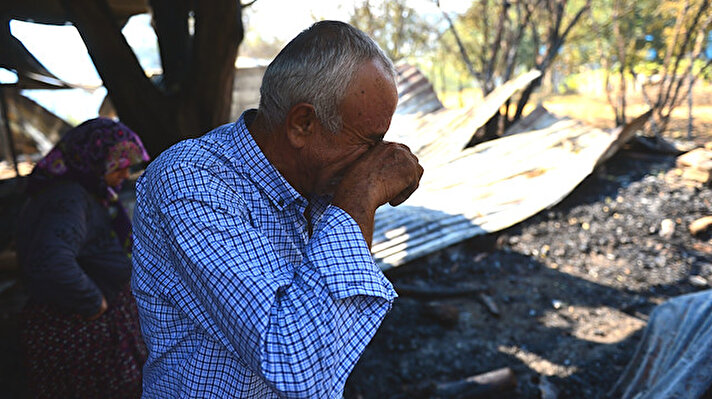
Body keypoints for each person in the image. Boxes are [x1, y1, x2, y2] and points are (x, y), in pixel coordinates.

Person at [131, 20, 423, 398]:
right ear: (302, 124)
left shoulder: (314, 185)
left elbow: (329, 337)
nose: (376, 159)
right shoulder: (189, 181)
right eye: (369, 141)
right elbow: (294, 361)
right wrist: (360, 198)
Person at [15, 117, 150, 399]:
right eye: (119, 166)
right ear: (95, 158)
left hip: (97, 326)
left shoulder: (90, 193)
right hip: (80, 331)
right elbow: (51, 261)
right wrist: (93, 302)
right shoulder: (70, 198)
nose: (125, 174)